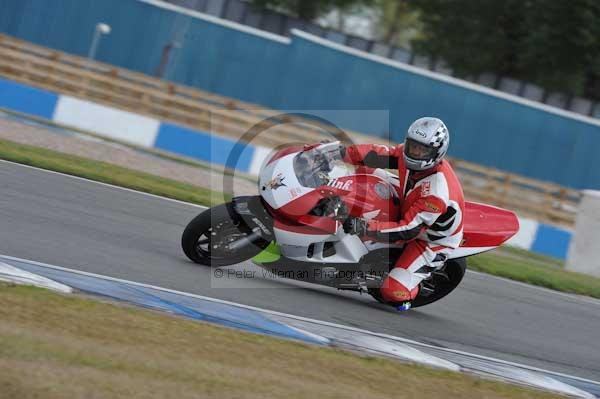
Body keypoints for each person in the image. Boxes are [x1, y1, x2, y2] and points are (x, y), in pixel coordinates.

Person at [342, 117, 465, 310]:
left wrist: (364, 226)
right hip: (410, 203)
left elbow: (408, 230)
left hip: (430, 239)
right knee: (366, 171)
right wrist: (342, 153)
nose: (415, 153)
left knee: (393, 291)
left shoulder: (437, 192)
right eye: (413, 146)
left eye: (423, 150)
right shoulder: (406, 155)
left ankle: (408, 292)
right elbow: (378, 154)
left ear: (437, 152)